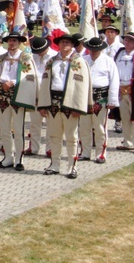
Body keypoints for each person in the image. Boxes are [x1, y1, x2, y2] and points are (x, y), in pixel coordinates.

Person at [38, 34, 92, 179]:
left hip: (70, 103)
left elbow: (83, 86)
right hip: (53, 102)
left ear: (73, 45)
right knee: (54, 135)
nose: (65, 45)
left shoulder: (79, 62)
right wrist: (43, 103)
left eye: (68, 42)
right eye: (62, 42)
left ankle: (72, 166)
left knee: (71, 136)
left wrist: (78, 106)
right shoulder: (51, 62)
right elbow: (45, 83)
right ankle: (55, 164)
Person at [0, 30, 38, 170]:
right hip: (3, 95)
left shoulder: (25, 57)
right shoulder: (2, 57)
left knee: (18, 128)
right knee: (4, 127)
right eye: (10, 41)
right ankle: (8, 157)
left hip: (18, 93)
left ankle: (19, 158)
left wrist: (12, 81)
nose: (12, 43)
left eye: (14, 41)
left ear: (19, 43)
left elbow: (29, 75)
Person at [79, 37, 119, 164]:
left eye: (95, 49)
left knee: (100, 127)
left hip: (101, 97)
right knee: (84, 127)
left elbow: (114, 81)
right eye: (90, 49)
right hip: (85, 97)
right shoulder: (83, 60)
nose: (92, 52)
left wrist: (112, 100)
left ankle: (101, 153)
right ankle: (85, 152)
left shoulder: (108, 61)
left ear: (100, 49)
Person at [25, 37, 56, 156]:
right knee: (34, 123)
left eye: (40, 51)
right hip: (35, 93)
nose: (39, 54)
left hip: (49, 93)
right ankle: (33, 147)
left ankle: (50, 148)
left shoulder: (54, 57)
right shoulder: (33, 56)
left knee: (50, 124)